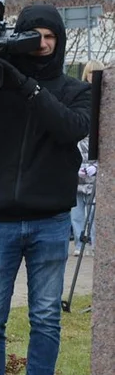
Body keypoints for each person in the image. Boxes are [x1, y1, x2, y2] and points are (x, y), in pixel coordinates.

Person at [0, 4, 91, 375]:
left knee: (44, 317)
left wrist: (26, 85)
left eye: (49, 37)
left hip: (50, 220)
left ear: (59, 42)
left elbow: (70, 127)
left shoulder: (76, 89)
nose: (41, 45)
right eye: (32, 36)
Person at [70, 60, 105, 256]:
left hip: (94, 165)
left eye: (96, 73)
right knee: (76, 209)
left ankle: (94, 242)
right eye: (90, 73)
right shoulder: (80, 95)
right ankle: (78, 244)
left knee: (93, 210)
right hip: (78, 160)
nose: (93, 76)